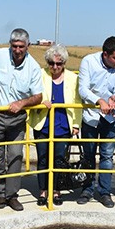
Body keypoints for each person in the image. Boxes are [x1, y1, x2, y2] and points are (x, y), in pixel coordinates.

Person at [0, 28, 43, 211]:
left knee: (15, 156)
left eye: (21, 46)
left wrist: (22, 103)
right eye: (14, 46)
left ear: (28, 46)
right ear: (10, 45)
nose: (17, 50)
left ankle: (12, 195)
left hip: (17, 118)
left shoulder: (33, 67)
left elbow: (38, 96)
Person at [77, 36, 115, 207]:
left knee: (107, 156)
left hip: (110, 118)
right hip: (90, 116)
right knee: (88, 155)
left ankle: (105, 192)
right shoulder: (88, 62)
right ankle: (87, 189)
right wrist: (99, 101)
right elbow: (83, 89)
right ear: (105, 54)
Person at [28, 44, 82, 206]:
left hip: (63, 124)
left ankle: (57, 191)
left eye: (59, 64)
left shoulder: (73, 78)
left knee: (59, 160)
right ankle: (43, 191)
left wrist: (76, 124)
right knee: (43, 159)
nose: (55, 67)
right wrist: (40, 102)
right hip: (43, 124)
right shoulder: (40, 75)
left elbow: (78, 102)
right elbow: (32, 93)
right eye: (51, 63)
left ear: (64, 63)